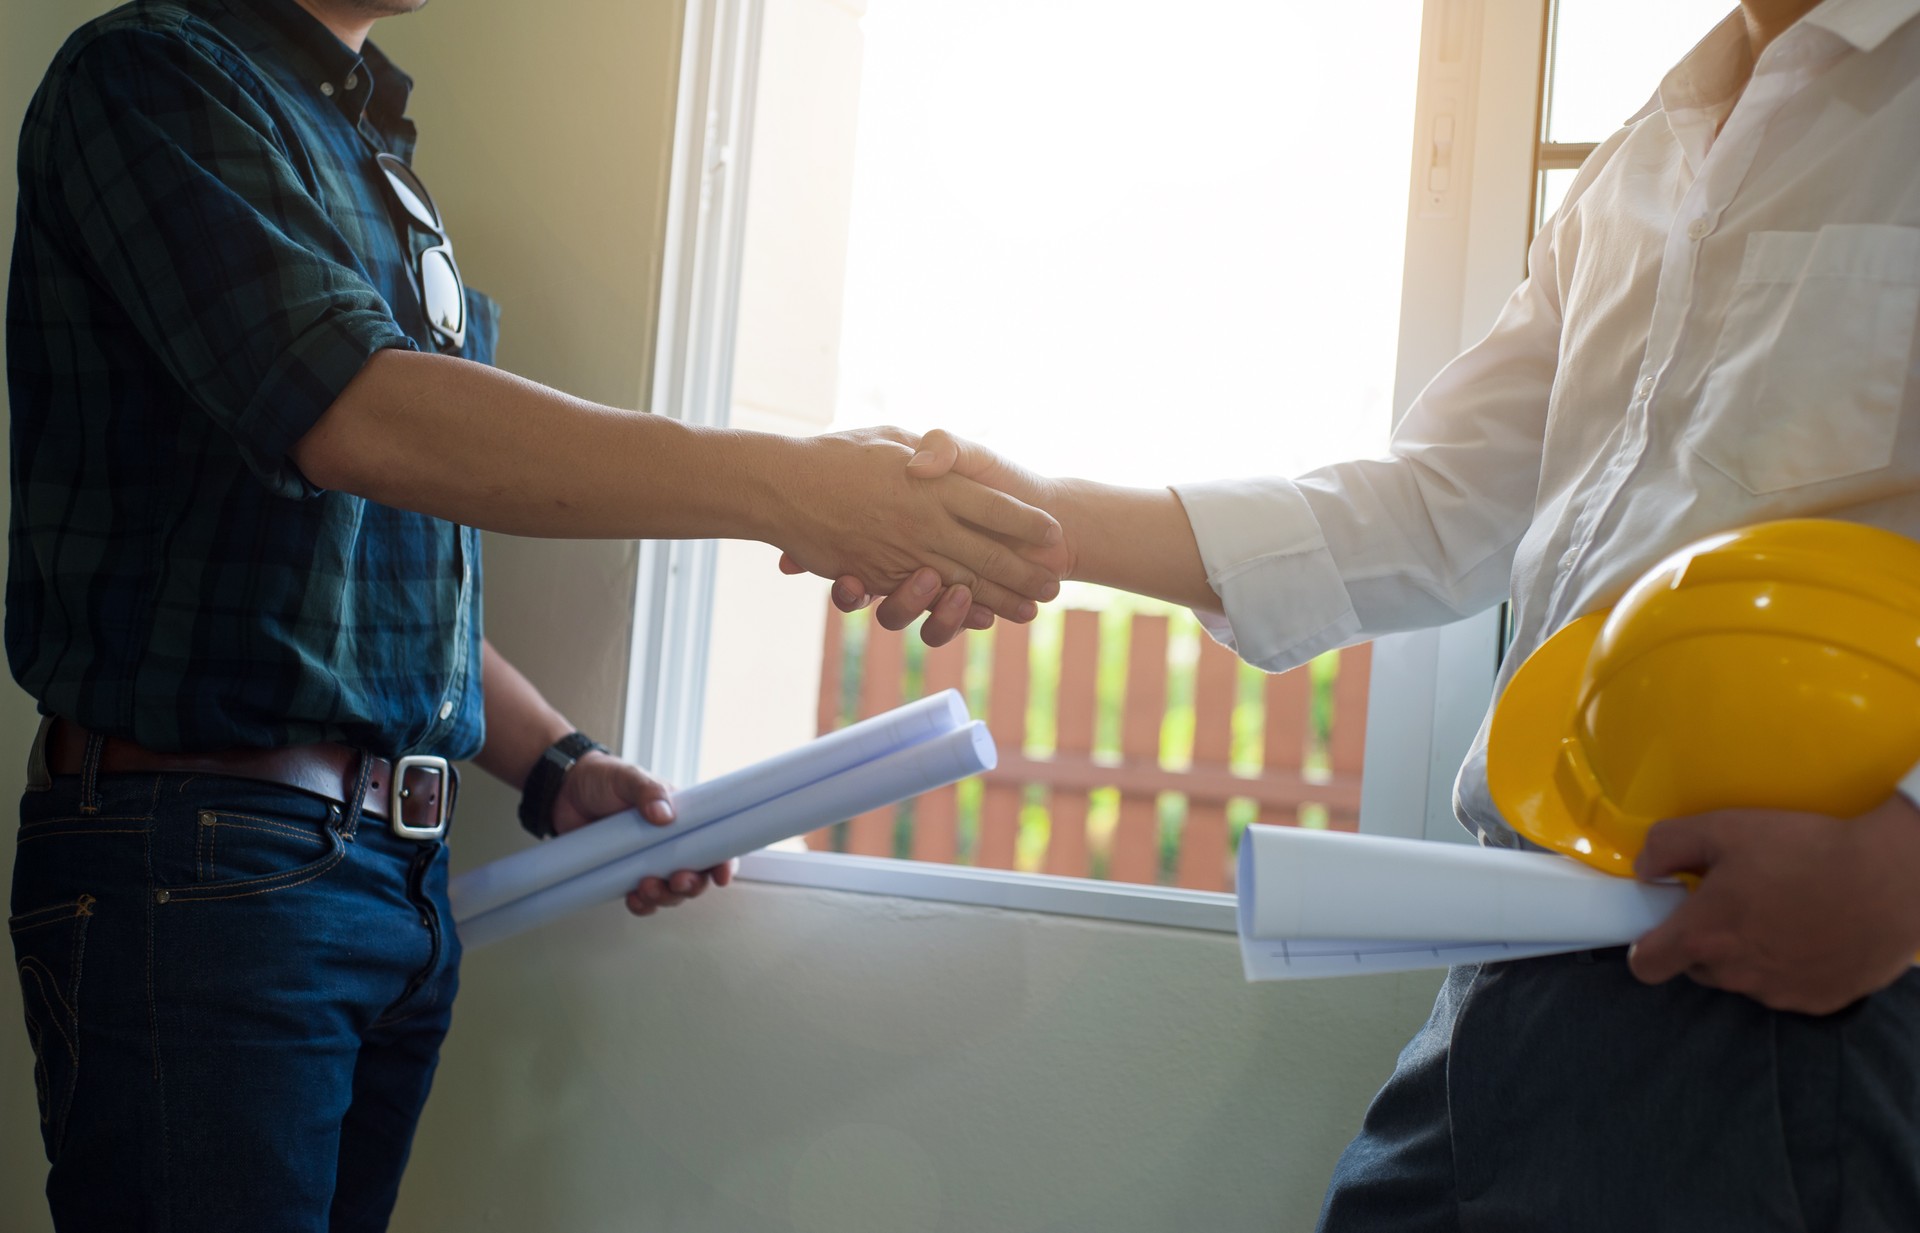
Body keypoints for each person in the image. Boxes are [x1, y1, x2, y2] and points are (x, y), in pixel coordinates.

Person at [830, 0, 1920, 1226]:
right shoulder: (1653, 147)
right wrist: (1032, 519)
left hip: (1804, 986)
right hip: (1528, 965)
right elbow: (1440, 511)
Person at [4, 0, 1061, 1229]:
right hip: (208, 864)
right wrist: (791, 489)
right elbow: (365, 418)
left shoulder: (365, 147)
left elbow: (371, 555)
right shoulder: (152, 79)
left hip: (379, 879)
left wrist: (558, 764)